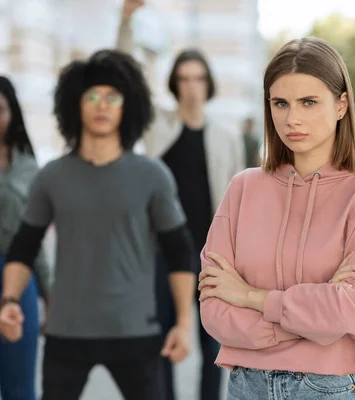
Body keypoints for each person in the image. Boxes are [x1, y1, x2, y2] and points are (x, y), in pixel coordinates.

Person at [197, 37, 355, 400]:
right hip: (247, 386)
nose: (292, 119)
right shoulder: (243, 188)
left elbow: (351, 312)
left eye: (308, 102)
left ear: (341, 105)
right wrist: (311, 319)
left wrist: (248, 295)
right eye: (280, 103)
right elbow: (213, 309)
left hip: (330, 387)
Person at [0, 49, 196, 400]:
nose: (101, 105)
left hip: (136, 331)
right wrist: (10, 300)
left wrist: (184, 325)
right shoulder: (52, 176)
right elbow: (24, 246)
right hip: (67, 332)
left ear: (127, 105)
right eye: (91, 97)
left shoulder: (152, 176)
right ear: (75, 105)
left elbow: (180, 252)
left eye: (111, 97)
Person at [117, 2, 245, 397]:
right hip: (162, 254)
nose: (192, 86)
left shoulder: (227, 138)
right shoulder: (157, 127)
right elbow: (123, 80)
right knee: (163, 346)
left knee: (212, 347)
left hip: (210, 256)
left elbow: (239, 206)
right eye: (184, 78)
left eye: (199, 78)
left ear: (209, 83)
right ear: (175, 84)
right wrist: (125, 22)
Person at [0, 76, 51, 400]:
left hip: (18, 278)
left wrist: (51, 294)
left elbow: (36, 238)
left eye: (1, 109)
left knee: (20, 387)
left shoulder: (28, 168)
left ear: (12, 113)